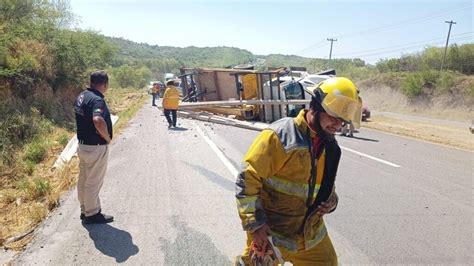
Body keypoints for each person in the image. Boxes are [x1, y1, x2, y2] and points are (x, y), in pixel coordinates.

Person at [235, 77, 362, 265]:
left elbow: (324, 185)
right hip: (272, 231)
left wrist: (331, 200)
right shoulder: (281, 136)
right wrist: (254, 224)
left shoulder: (331, 147)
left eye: (342, 120)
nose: (337, 125)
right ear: (314, 108)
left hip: (310, 235)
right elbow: (248, 179)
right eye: (333, 117)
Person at [73, 70, 114, 224]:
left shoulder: (81, 96)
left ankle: (84, 209)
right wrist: (107, 137)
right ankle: (92, 213)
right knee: (93, 182)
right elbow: (97, 120)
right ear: (105, 84)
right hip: (95, 147)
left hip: (83, 146)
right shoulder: (97, 100)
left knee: (83, 180)